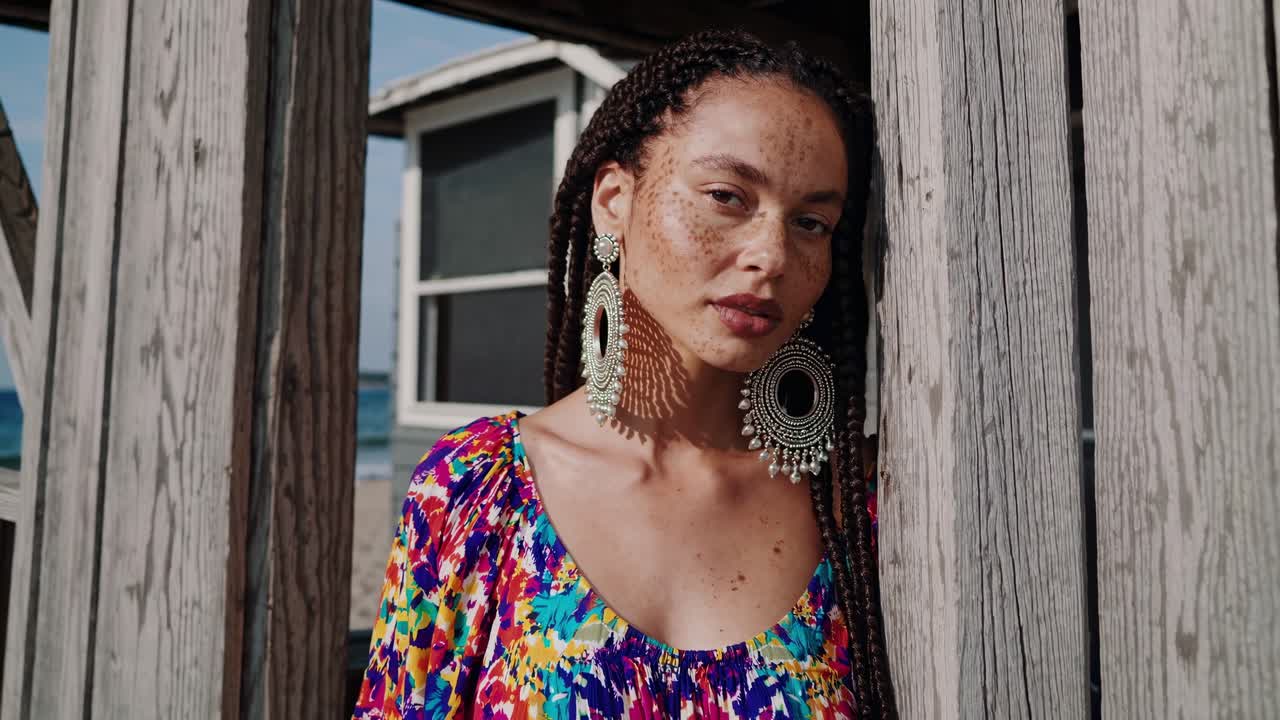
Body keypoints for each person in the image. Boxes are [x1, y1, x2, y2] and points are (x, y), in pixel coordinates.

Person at [352, 26, 895, 719]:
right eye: (727, 196)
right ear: (614, 200)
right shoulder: (479, 491)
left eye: (812, 222)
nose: (772, 254)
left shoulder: (858, 507)